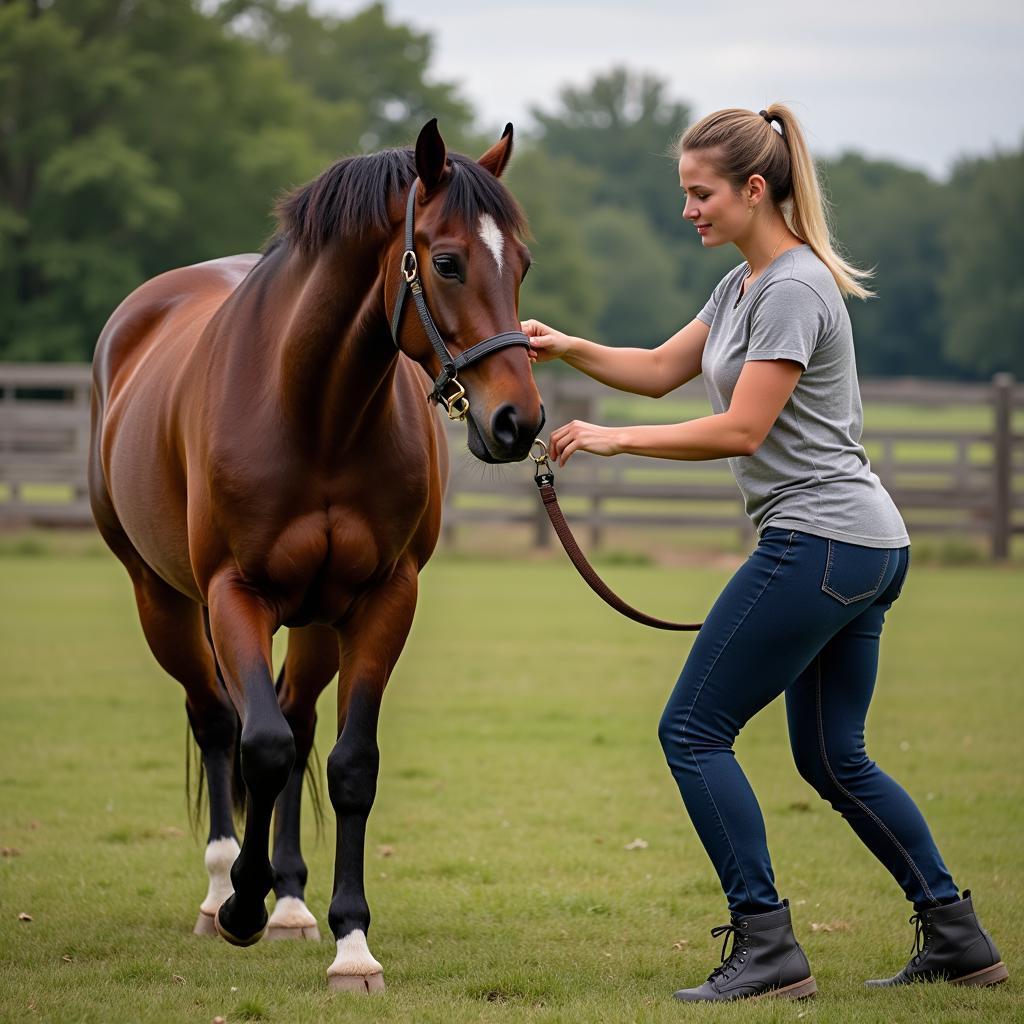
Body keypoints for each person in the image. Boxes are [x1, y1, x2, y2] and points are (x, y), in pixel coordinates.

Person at [521, 104, 1008, 1003]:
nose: (688, 211)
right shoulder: (743, 285)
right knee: (833, 758)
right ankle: (957, 937)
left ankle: (769, 947)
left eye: (700, 194)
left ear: (754, 189)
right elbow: (664, 367)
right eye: (683, 195)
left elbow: (745, 428)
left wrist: (614, 441)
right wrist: (566, 348)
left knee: (692, 730)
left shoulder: (792, 289)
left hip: (821, 540)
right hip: (859, 544)